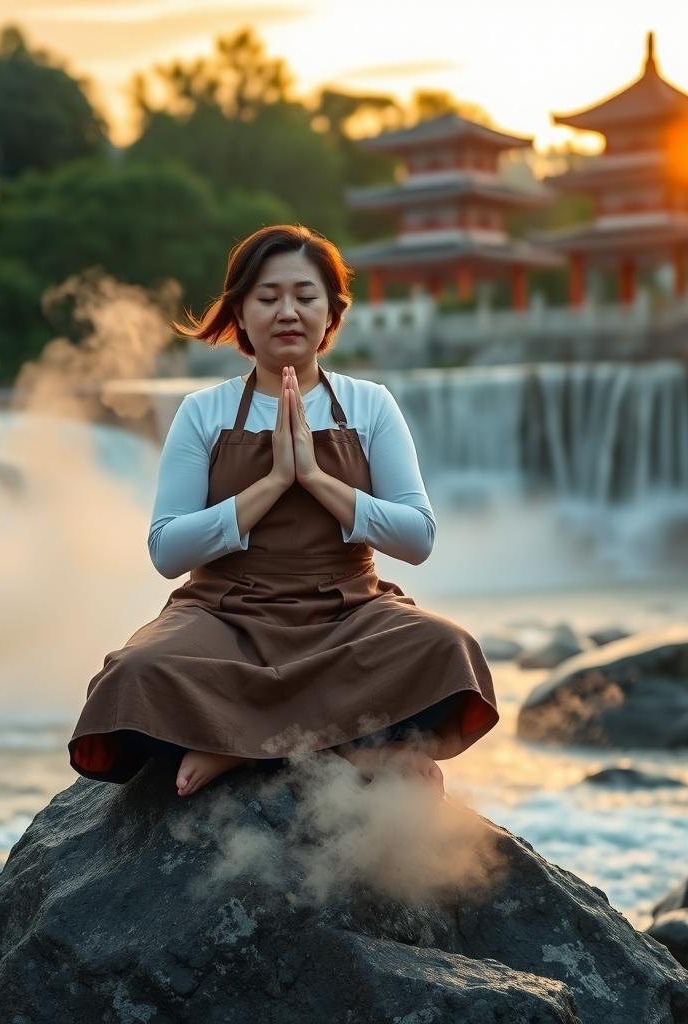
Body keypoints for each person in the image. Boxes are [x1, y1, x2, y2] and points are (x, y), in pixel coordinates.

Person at [68, 224, 499, 798]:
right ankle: (349, 746)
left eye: (305, 296)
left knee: (449, 649)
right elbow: (167, 551)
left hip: (347, 614)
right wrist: (271, 483)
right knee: (134, 674)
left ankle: (237, 746)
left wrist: (316, 479)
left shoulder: (370, 404)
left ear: (331, 313)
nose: (287, 312)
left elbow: (417, 538)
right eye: (268, 298)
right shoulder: (204, 411)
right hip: (224, 617)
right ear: (241, 314)